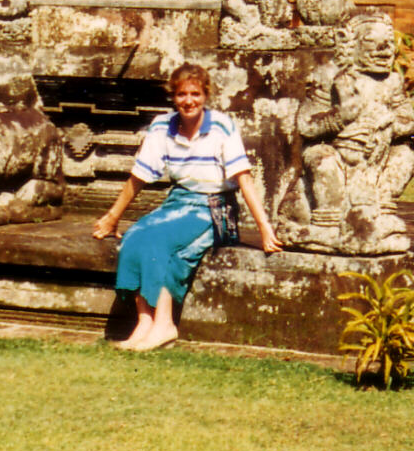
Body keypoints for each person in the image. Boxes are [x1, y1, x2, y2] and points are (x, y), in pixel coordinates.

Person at [91, 62, 281, 350]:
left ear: (205, 95)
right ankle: (145, 322)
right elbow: (139, 176)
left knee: (162, 242)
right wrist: (112, 217)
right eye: (181, 94)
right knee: (135, 236)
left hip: (215, 207)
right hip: (178, 202)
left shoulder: (221, 125)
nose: (188, 101)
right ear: (173, 96)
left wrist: (265, 228)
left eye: (195, 94)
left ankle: (165, 324)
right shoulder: (161, 126)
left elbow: (244, 178)